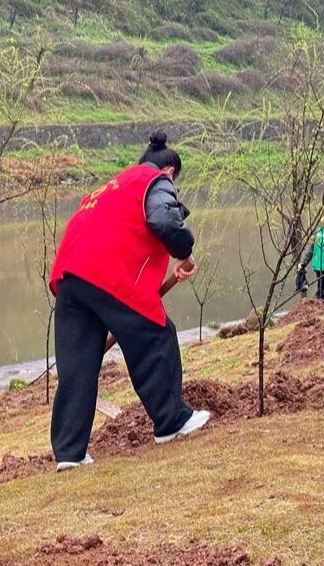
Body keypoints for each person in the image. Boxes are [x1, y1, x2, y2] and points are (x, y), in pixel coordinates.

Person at [48, 130, 210, 470]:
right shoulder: (153, 180)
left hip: (70, 276)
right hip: (108, 272)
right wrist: (184, 252)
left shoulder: (108, 188)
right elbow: (165, 219)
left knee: (77, 365)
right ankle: (171, 421)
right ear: (169, 172)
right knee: (156, 336)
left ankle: (69, 453)